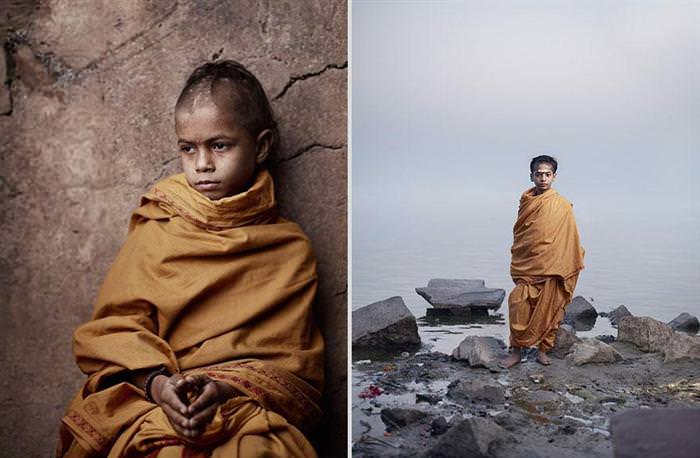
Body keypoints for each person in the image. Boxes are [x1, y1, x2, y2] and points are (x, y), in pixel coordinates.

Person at [57, 60, 324, 457]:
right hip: (154, 400)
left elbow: (293, 366)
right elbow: (113, 332)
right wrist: (162, 387)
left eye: (220, 145)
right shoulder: (158, 228)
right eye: (188, 148)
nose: (202, 164)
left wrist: (224, 388)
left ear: (262, 146)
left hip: (244, 405)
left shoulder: (288, 248)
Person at [500, 155, 585, 368]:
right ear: (531, 176)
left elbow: (569, 236)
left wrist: (566, 260)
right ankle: (516, 351)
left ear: (554, 177)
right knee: (518, 303)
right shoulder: (526, 201)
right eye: (539, 174)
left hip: (553, 267)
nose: (543, 178)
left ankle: (543, 351)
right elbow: (523, 234)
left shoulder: (562, 205)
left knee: (551, 308)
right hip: (528, 264)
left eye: (547, 174)